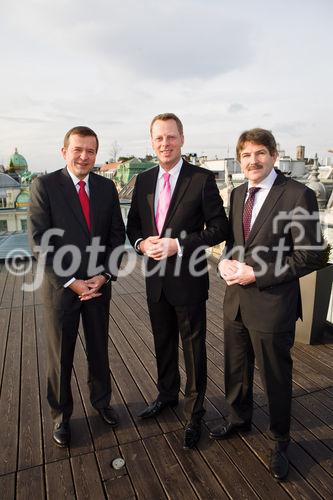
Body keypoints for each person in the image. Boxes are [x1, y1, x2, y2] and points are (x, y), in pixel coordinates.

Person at [209, 128, 324, 480]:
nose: (252, 161)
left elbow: (313, 254)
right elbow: (236, 244)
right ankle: (239, 419)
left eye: (260, 153)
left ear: (274, 155)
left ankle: (280, 440)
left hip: (273, 303)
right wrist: (225, 262)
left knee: (275, 376)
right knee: (236, 368)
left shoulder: (297, 194)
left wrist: (257, 274)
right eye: (245, 155)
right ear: (239, 159)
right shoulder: (238, 192)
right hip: (236, 301)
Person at [126, 113, 229, 449]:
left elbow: (220, 228)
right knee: (163, 344)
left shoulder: (201, 179)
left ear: (182, 139)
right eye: (158, 138)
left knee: (193, 350)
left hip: (189, 280)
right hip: (155, 279)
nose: (165, 144)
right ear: (152, 142)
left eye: (170, 137)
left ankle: (194, 413)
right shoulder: (143, 181)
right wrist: (142, 244)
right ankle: (167, 395)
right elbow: (133, 229)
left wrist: (178, 244)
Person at [28, 126, 125, 447]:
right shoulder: (44, 185)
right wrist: (71, 282)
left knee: (99, 349)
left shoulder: (106, 187)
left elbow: (115, 237)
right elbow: (40, 241)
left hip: (98, 285)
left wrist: (105, 275)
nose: (84, 156)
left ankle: (102, 403)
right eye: (78, 150)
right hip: (61, 289)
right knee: (61, 356)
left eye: (91, 151)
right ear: (64, 151)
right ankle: (61, 416)